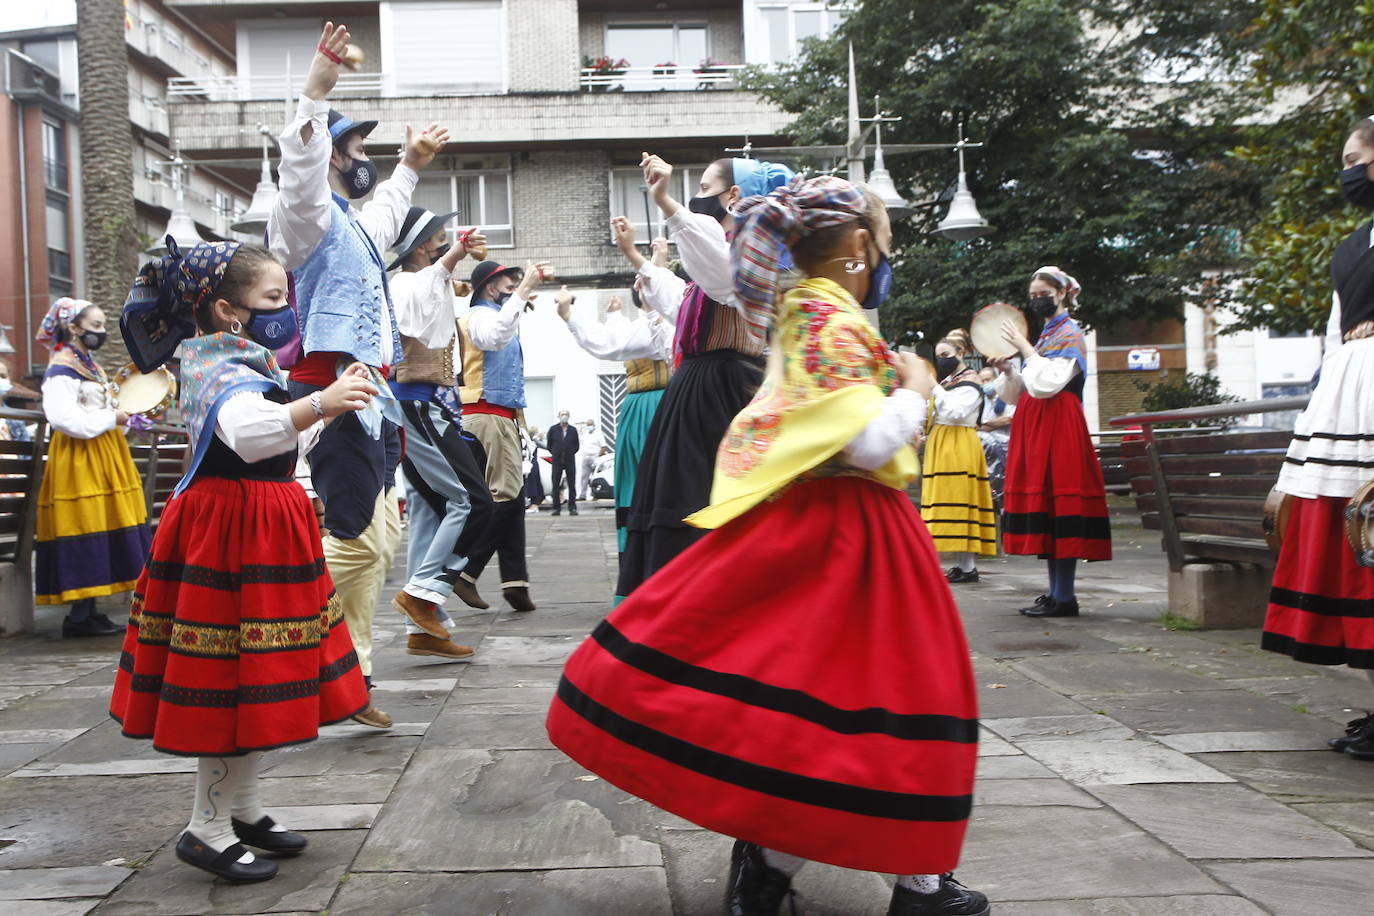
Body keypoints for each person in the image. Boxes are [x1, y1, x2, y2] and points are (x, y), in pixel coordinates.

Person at [548, 177, 987, 916]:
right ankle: (911, 884)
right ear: (856, 246)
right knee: (906, 689)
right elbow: (866, 439)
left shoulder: (802, 312)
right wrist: (917, 388)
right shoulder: (832, 322)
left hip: (826, 528)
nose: (886, 255)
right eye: (884, 242)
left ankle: (781, 871)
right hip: (855, 532)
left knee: (816, 706)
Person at [110, 239, 374, 883]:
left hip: (256, 524)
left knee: (251, 677)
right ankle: (205, 826)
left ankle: (243, 808)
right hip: (232, 531)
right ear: (228, 310)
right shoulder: (214, 364)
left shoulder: (236, 358)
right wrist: (320, 403)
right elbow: (253, 437)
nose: (286, 311)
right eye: (274, 299)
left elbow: (282, 436)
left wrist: (324, 405)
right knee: (228, 678)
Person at [266, 22, 450, 727]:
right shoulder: (304, 220)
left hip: (367, 401)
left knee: (380, 543)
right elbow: (300, 178)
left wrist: (409, 163)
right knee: (355, 539)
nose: (362, 156)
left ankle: (352, 678)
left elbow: (387, 215)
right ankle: (282, 618)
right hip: (329, 394)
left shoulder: (350, 224)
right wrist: (315, 94)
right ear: (331, 156)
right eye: (357, 147)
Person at [614, 153, 795, 601]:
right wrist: (638, 257)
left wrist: (666, 202)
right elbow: (682, 302)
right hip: (698, 387)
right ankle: (681, 599)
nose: (697, 198)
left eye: (704, 188)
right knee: (680, 493)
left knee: (704, 495)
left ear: (735, 196)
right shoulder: (720, 262)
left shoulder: (748, 261)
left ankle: (713, 598)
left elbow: (723, 277)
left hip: (723, 389)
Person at [1264, 117, 1374, 761]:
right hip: (1349, 403)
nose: (1348, 169)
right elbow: (1337, 334)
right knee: (1352, 544)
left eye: (1354, 157)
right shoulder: (1351, 247)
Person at [386, 205, 493, 661]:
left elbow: (441, 298)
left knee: (432, 514)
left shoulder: (428, 281)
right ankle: (424, 593)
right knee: (470, 502)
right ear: (419, 245)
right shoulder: (401, 283)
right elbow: (415, 310)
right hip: (414, 402)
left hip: (427, 404)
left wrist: (456, 263)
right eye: (438, 237)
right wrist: (454, 256)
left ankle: (423, 628)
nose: (444, 242)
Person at [993, 267, 1112, 618]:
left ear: (1061, 294)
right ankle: (1057, 593)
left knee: (1061, 506)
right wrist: (1008, 371)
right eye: (1032, 294)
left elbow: (1050, 383)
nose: (1036, 299)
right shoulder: (1047, 336)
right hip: (1038, 425)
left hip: (1059, 426)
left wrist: (1025, 350)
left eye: (1043, 292)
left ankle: (1065, 596)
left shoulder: (1069, 334)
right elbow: (1022, 391)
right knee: (1048, 507)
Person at [33, 298, 151, 637]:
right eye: (95, 326)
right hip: (78, 457)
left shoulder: (89, 366)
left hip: (102, 453)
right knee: (85, 522)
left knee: (102, 521)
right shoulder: (62, 368)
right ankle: (80, 613)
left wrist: (123, 416)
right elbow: (61, 417)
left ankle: (89, 611)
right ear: (74, 328)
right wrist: (110, 417)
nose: (101, 332)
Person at [556, 224, 674, 552]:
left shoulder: (659, 324)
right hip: (653, 406)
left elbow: (611, 342)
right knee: (658, 483)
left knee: (644, 482)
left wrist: (569, 316)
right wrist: (614, 314)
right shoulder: (650, 323)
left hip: (651, 408)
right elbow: (619, 336)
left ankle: (644, 556)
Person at [451, 258, 555, 612]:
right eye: (507, 281)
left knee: (509, 497)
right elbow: (494, 335)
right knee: (507, 496)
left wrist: (521, 299)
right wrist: (524, 289)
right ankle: (465, 572)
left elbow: (503, 327)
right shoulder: (479, 316)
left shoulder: (491, 314)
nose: (512, 284)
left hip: (493, 416)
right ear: (489, 288)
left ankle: (515, 582)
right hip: (488, 416)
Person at [922, 334, 996, 583]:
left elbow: (955, 412)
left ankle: (968, 567)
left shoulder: (971, 383)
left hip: (958, 442)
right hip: (943, 442)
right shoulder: (950, 381)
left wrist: (933, 386)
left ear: (961, 353)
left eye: (946, 355)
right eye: (939, 356)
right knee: (948, 500)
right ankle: (964, 566)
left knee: (959, 500)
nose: (941, 360)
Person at [976, 364, 1015, 504]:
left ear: (996, 378)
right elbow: (978, 427)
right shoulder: (981, 401)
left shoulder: (1006, 396)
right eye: (983, 381)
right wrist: (990, 424)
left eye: (988, 379)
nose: (986, 384)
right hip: (987, 453)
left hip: (1006, 450)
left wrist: (985, 422)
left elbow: (1007, 419)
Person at [546, 409, 580, 515]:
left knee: (572, 484)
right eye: (562, 414)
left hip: (569, 460)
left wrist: (569, 452)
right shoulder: (553, 429)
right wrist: (556, 452)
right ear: (559, 416)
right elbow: (549, 445)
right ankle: (556, 508)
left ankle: (572, 507)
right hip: (557, 460)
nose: (564, 416)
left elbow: (576, 446)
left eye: (566, 414)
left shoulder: (573, 430)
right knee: (555, 484)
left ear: (569, 416)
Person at [578, 420, 604, 502]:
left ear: (594, 425)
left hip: (595, 457)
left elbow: (603, 446)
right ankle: (583, 495)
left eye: (591, 424)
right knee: (584, 477)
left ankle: (595, 495)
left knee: (595, 477)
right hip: (586, 457)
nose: (589, 426)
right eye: (588, 425)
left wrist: (599, 457)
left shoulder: (598, 434)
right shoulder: (585, 434)